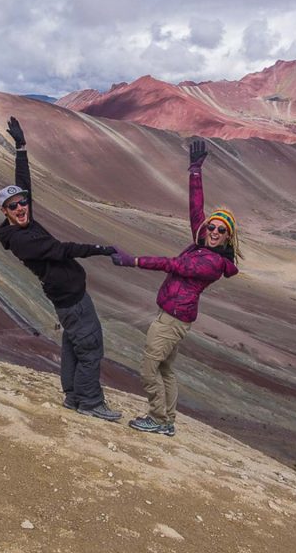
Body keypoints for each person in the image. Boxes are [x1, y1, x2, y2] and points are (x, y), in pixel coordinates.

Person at [110, 139, 240, 437]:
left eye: (221, 230)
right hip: (172, 315)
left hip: (173, 319)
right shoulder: (201, 242)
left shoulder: (212, 263)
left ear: (228, 238)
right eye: (212, 227)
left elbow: (172, 265)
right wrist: (195, 172)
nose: (214, 231)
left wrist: (134, 261)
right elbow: (196, 210)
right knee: (166, 369)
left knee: (148, 367)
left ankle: (157, 418)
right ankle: (166, 421)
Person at [0, 116, 122, 422]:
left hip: (67, 299)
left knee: (72, 345)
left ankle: (73, 395)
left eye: (22, 203)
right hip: (72, 301)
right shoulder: (21, 241)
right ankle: (90, 402)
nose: (21, 207)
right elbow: (62, 250)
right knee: (90, 348)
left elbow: (25, 185)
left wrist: (21, 147)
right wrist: (101, 250)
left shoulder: (25, 222)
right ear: (5, 213)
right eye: (13, 206)